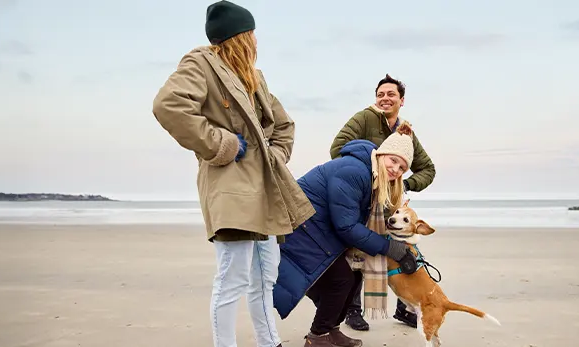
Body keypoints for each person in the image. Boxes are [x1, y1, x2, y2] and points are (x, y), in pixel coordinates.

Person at [151, 1, 315, 346]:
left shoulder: (256, 78)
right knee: (232, 280)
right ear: (240, 35)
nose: (256, 39)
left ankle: (269, 343)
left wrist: (276, 156)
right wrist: (222, 144)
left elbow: (284, 125)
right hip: (230, 188)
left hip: (266, 192)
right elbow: (169, 106)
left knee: (265, 278)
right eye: (251, 32)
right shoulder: (201, 63)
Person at [274, 130, 423, 347]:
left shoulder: (372, 176)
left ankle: (331, 330)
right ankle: (317, 336)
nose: (395, 169)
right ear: (382, 154)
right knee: (341, 279)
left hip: (318, 231)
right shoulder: (354, 171)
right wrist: (389, 248)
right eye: (393, 161)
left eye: (402, 168)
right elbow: (347, 226)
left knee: (352, 278)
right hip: (298, 230)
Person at [329, 74, 437, 331]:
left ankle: (404, 307)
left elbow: (428, 169)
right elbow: (338, 148)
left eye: (391, 94)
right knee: (357, 252)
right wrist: (376, 169)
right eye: (380, 94)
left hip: (390, 207)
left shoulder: (406, 131)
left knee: (406, 253)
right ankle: (353, 311)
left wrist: (404, 185)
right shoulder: (364, 118)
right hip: (363, 198)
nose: (385, 98)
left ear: (402, 100)